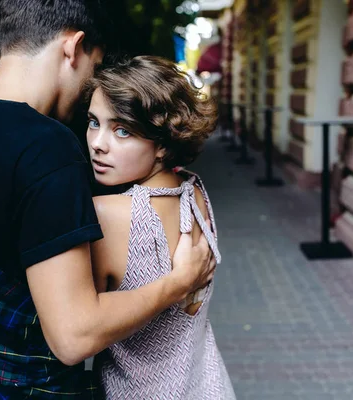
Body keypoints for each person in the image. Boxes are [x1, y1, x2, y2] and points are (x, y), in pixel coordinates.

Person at [0, 1, 215, 398]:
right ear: (73, 47)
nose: (89, 86)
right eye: (94, 67)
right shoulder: (48, 148)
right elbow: (74, 337)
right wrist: (178, 284)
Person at [86, 56, 236, 399]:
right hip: (209, 386)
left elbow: (78, 327)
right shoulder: (195, 191)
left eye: (122, 130)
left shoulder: (107, 215)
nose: (98, 142)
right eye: (94, 122)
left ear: (164, 143)